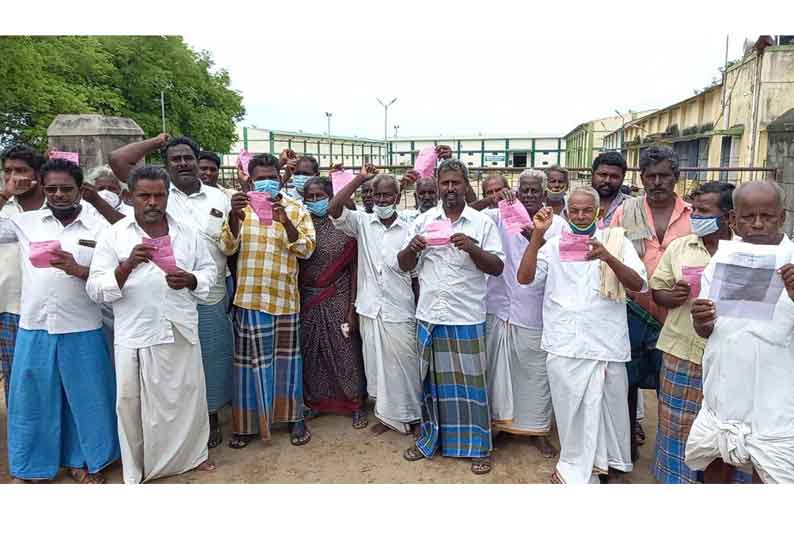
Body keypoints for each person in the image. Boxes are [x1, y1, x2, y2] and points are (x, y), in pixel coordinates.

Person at [87, 166, 217, 483]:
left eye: (159, 195)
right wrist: (127, 266)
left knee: (187, 397)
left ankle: (192, 456)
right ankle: (139, 467)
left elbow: (209, 272)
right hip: (136, 333)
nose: (152, 202)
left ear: (167, 196)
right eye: (144, 195)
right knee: (132, 404)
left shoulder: (187, 232)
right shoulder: (114, 236)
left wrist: (190, 279)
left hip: (180, 327)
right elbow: (94, 288)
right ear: (130, 197)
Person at [111, 134, 234, 449]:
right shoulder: (160, 193)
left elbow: (230, 245)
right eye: (175, 158)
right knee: (173, 367)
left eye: (187, 157)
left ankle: (210, 417)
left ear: (197, 161)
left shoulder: (219, 197)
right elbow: (118, 161)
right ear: (165, 165)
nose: (182, 163)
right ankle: (174, 430)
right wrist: (157, 141)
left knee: (212, 358)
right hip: (162, 295)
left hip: (208, 289)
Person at [0, 158, 119, 483]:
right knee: (33, 399)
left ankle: (88, 461)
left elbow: (116, 269)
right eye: (51, 188)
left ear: (80, 190)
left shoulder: (98, 228)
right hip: (35, 325)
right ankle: (33, 466)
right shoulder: (26, 222)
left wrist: (79, 270)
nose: (58, 195)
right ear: (42, 188)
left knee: (88, 399)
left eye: (66, 189)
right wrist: (7, 191)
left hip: (82, 326)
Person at [517, 187, 647, 484]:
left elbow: (639, 285)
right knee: (569, 411)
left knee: (608, 411)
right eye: (573, 210)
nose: (579, 215)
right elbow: (524, 279)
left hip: (605, 343)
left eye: (586, 210)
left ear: (598, 213)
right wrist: (537, 236)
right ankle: (575, 463)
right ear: (566, 212)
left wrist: (608, 258)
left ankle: (608, 466)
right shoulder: (553, 245)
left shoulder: (617, 241)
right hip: (564, 343)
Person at [398, 159, 504, 475]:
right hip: (431, 314)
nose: (450, 189)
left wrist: (471, 248)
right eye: (445, 183)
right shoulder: (425, 220)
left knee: (471, 386)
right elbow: (403, 265)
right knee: (431, 383)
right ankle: (430, 440)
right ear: (438, 184)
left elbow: (497, 267)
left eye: (456, 183)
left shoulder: (481, 223)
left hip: (466, 315)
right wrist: (413, 248)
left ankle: (478, 447)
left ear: (465, 184)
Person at [686, 181, 794, 484]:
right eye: (748, 217)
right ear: (733, 220)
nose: (758, 224)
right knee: (715, 465)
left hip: (777, 401)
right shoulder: (720, 261)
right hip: (724, 390)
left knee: (772, 477)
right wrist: (702, 321)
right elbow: (708, 330)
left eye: (768, 216)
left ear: (782, 217)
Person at [650, 182, 749, 483]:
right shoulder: (682, 247)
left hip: (733, 357)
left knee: (728, 427)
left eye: (704, 211)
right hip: (683, 351)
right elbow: (657, 290)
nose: (695, 216)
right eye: (693, 209)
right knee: (677, 423)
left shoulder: (748, 253)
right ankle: (676, 480)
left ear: (729, 217)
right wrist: (672, 296)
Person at [220, 153, 316, 449]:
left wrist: (285, 221)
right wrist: (234, 219)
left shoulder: (296, 209)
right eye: (260, 178)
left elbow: (307, 249)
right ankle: (247, 425)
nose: (267, 183)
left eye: (272, 177)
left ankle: (293, 417)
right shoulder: (239, 208)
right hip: (249, 297)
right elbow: (226, 247)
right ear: (249, 179)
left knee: (288, 364)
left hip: (285, 298)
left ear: (280, 178)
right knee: (248, 366)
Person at [610, 146, 692, 461]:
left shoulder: (691, 215)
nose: (657, 182)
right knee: (626, 385)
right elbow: (612, 254)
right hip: (632, 311)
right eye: (651, 176)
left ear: (676, 177)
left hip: (677, 316)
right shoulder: (626, 212)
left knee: (670, 389)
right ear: (642, 178)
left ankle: (672, 457)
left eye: (664, 176)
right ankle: (625, 449)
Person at [329, 167, 421, 435]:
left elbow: (414, 274)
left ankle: (412, 416)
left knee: (405, 364)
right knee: (377, 366)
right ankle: (386, 416)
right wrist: (359, 179)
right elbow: (334, 208)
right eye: (376, 195)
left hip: (400, 307)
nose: (381, 201)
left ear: (397, 196)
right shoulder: (362, 223)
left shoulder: (409, 226)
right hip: (370, 307)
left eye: (386, 196)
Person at [482, 169, 566, 457]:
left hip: (536, 311)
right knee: (500, 373)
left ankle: (538, 430)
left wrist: (536, 237)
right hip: (500, 307)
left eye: (534, 191)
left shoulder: (558, 226)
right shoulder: (499, 216)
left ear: (544, 195)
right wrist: (497, 201)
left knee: (535, 374)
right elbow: (472, 213)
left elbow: (562, 261)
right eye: (524, 191)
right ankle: (503, 427)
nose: (529, 196)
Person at [297, 176, 367, 426]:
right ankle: (316, 402)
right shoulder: (300, 223)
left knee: (344, 351)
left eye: (319, 196)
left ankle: (354, 403)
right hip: (308, 297)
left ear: (330, 196)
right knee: (312, 351)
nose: (315, 201)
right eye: (310, 197)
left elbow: (355, 266)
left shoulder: (343, 224)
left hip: (338, 295)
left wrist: (352, 307)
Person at [0, 144, 45, 405]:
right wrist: (6, 193)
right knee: (14, 378)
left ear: (37, 175)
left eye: (21, 170)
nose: (14, 177)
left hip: (39, 306)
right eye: (8, 171)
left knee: (38, 376)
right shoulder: (5, 206)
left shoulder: (55, 203)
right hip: (7, 305)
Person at [591, 152, 631, 228]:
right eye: (603, 175)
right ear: (592, 174)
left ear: (623, 177)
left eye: (614, 176)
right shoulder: (573, 202)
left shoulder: (632, 207)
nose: (607, 180)